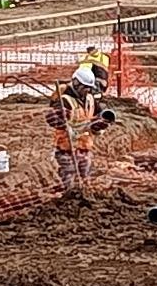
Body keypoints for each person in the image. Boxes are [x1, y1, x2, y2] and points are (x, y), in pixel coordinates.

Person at [46, 66, 113, 194]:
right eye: (85, 87)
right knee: (69, 179)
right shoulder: (64, 100)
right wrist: (59, 119)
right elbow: (52, 120)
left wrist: (100, 124)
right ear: (76, 83)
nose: (87, 91)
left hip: (84, 148)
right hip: (66, 149)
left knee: (85, 179)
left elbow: (99, 114)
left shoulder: (89, 99)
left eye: (89, 88)